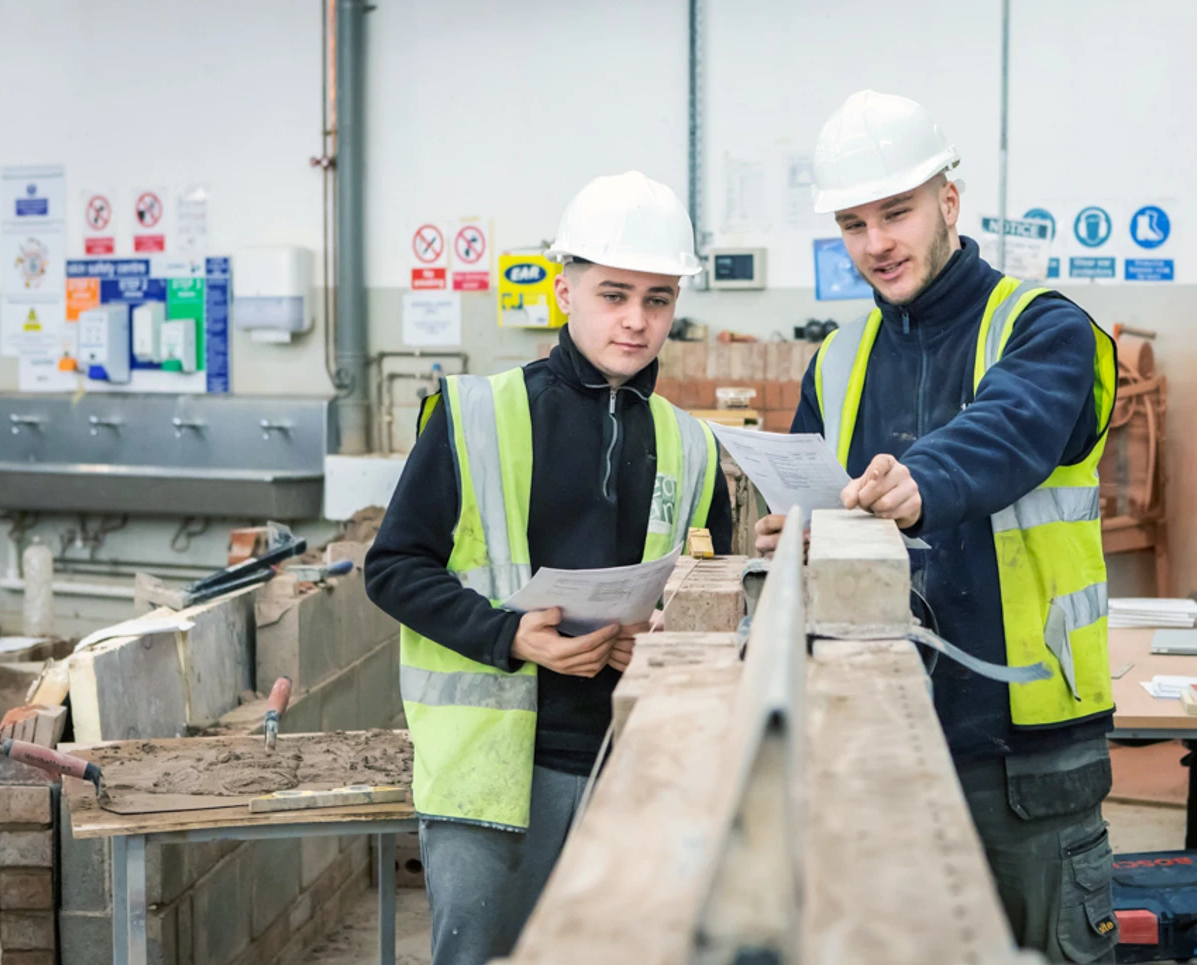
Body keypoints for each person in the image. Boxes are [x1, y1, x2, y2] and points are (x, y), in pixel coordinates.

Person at [756, 90, 1119, 963]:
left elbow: (1007, 429)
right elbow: (824, 494)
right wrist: (798, 531)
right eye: (853, 222)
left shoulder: (1043, 328)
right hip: (871, 733)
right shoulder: (839, 362)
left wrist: (922, 478)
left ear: (948, 203)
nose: (876, 242)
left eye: (896, 212)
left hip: (1023, 747)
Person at [366, 170, 733, 965]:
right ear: (565, 290)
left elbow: (713, 598)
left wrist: (663, 639)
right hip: (490, 777)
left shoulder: (694, 448)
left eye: (658, 299)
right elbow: (393, 566)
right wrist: (511, 636)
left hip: (630, 767)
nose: (636, 321)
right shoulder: (474, 414)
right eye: (613, 294)